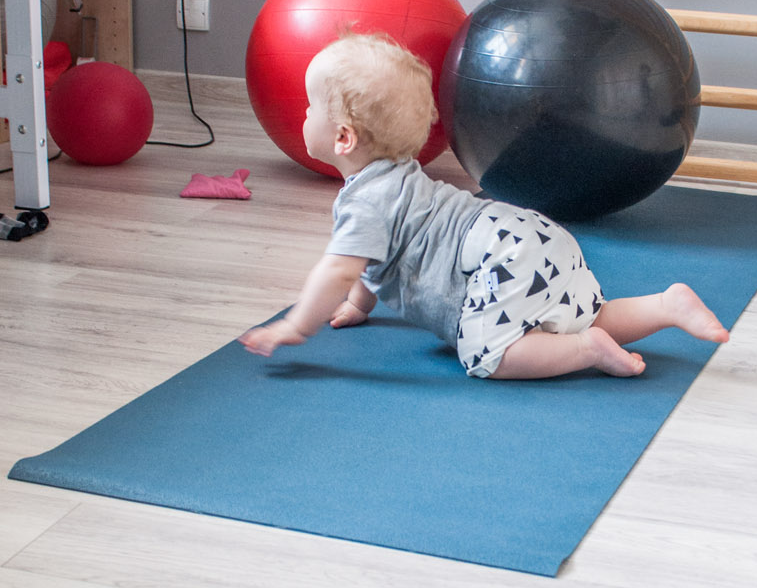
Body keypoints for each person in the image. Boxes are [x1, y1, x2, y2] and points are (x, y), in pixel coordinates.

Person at [240, 33, 729, 379]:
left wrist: (295, 325)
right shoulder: (400, 176)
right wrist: (357, 305)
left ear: (343, 138)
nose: (304, 114)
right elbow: (371, 262)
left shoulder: (365, 203)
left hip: (496, 258)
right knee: (582, 312)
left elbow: (341, 267)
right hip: (527, 232)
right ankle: (664, 306)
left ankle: (585, 351)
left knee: (485, 356)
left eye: (310, 107)